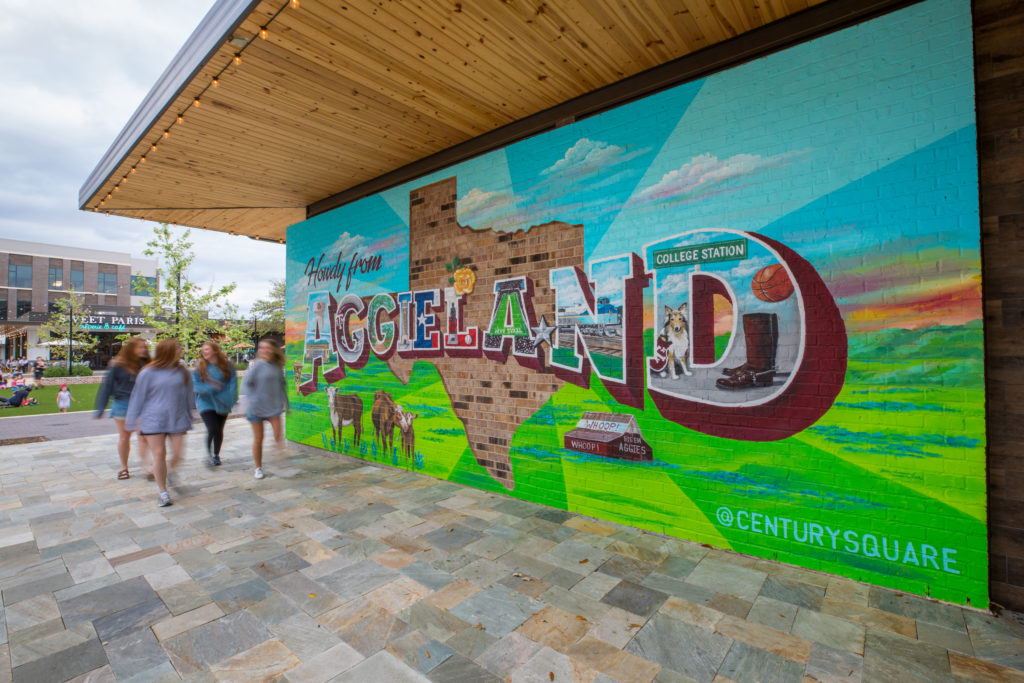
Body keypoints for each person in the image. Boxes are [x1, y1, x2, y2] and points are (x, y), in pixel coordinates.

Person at [125, 339, 194, 507]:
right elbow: (137, 397)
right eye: (178, 347)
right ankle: (163, 491)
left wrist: (191, 414)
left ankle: (167, 472)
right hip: (152, 419)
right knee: (159, 453)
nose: (180, 349)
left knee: (178, 454)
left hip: (176, 418)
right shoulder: (148, 372)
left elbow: (189, 396)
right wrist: (132, 422)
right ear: (168, 350)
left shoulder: (183, 372)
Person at [95, 338, 152, 481]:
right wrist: (100, 408)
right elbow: (106, 386)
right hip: (122, 404)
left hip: (142, 404)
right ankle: (124, 467)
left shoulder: (147, 364)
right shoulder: (117, 365)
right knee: (125, 436)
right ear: (131, 348)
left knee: (143, 436)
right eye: (140, 347)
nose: (144, 350)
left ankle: (147, 467)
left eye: (145, 347)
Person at [242, 338, 288, 480]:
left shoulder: (277, 366)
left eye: (267, 347)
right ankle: (258, 468)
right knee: (258, 439)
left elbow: (282, 386)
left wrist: (287, 403)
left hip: (273, 407)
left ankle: (281, 462)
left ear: (273, 350)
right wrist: (253, 401)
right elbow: (245, 385)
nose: (264, 350)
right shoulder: (255, 366)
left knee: (278, 435)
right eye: (261, 348)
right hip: (256, 408)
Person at [193, 340, 237, 467]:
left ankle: (216, 454)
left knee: (219, 430)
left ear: (215, 351)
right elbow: (196, 386)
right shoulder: (200, 367)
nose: (203, 352)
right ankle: (208, 455)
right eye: (203, 349)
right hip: (205, 403)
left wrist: (230, 400)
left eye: (206, 349)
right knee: (212, 428)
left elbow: (232, 386)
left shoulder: (227, 366)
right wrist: (213, 387)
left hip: (223, 402)